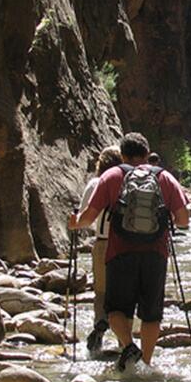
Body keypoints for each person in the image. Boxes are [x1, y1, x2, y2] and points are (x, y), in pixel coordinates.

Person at [69, 132, 189, 371]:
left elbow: (89, 217)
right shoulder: (165, 178)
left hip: (120, 253)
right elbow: (184, 219)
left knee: (115, 309)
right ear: (147, 154)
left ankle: (127, 345)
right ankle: (146, 363)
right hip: (156, 254)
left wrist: (74, 222)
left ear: (122, 155)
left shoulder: (112, 176)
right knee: (151, 314)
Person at [78, 145, 123, 356]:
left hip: (103, 242)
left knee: (101, 292)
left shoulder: (96, 183)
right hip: (127, 245)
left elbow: (83, 219)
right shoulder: (129, 182)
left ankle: (100, 326)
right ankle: (125, 342)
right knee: (125, 293)